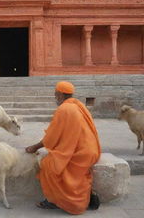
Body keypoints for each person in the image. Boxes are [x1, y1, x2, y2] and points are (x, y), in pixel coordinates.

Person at [25, 81, 101, 215]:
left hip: (80, 154)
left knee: (49, 166)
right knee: (74, 173)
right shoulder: (79, 105)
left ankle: (55, 201)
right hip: (91, 150)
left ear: (60, 94)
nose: (55, 96)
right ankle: (86, 197)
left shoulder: (64, 109)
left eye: (55, 94)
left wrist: (34, 147)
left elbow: (51, 138)